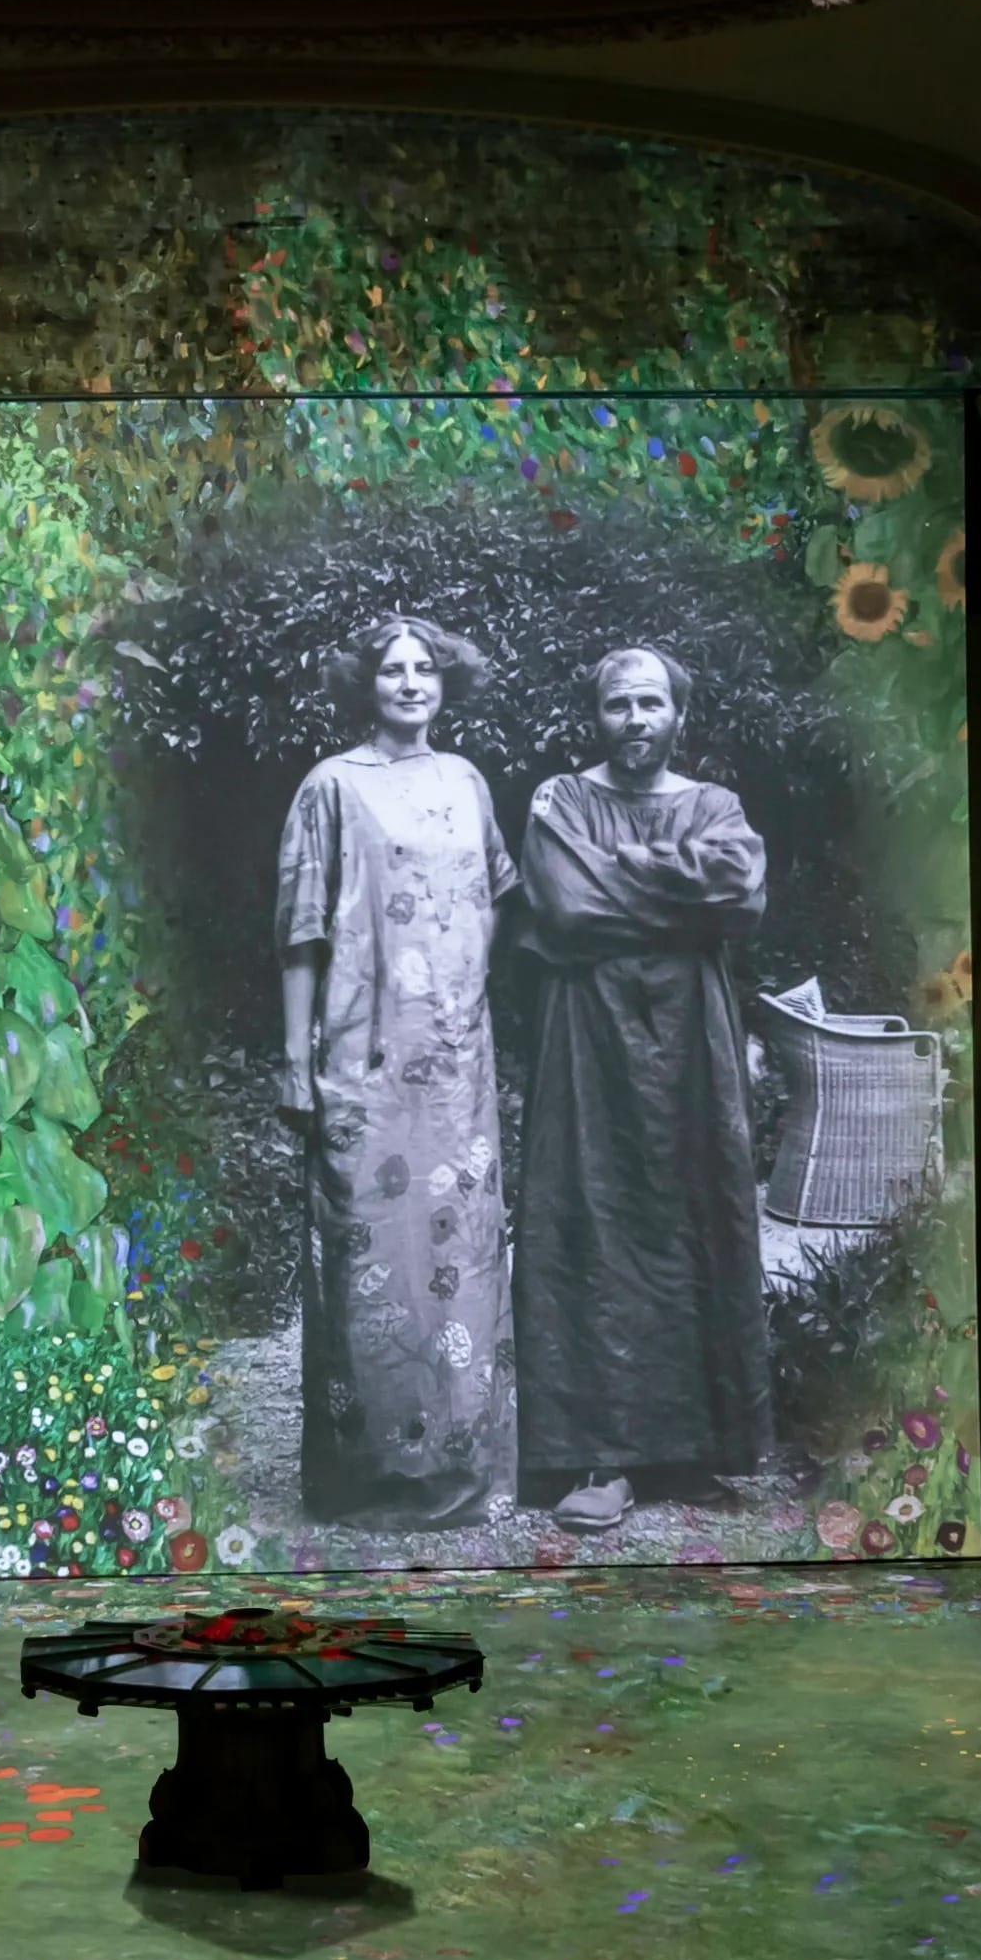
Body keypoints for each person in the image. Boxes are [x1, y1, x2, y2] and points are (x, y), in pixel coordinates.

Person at [510, 644, 769, 1527]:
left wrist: (617, 873)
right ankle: (601, 1454)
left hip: (691, 1040)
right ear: (595, 715)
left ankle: (687, 1448)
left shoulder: (715, 805)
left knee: (693, 1209)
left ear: (677, 715)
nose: (634, 719)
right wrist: (678, 897)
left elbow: (739, 893)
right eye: (618, 703)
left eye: (650, 703)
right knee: (592, 1214)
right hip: (586, 1035)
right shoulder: (560, 800)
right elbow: (564, 901)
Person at [276, 615, 512, 1528]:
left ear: (446, 683)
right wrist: (295, 1060)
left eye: (425, 669)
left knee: (456, 1254)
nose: (410, 682)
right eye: (391, 670)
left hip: (453, 1064)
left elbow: (491, 898)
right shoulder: (331, 785)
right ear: (363, 684)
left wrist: (460, 992)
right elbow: (300, 932)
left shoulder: (466, 780)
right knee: (367, 1248)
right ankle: (367, 1475)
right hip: (361, 1055)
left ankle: (457, 1463)